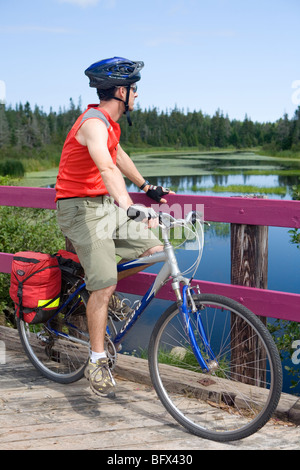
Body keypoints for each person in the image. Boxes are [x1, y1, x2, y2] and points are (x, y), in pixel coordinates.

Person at [55, 57, 173, 397]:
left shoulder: (110, 125)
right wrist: (130, 205)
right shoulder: (93, 123)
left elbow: (118, 156)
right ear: (121, 91)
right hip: (79, 209)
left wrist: (146, 187)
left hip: (105, 206)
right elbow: (107, 169)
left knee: (154, 251)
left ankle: (97, 285)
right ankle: (96, 359)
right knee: (103, 287)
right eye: (135, 89)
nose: (137, 94)